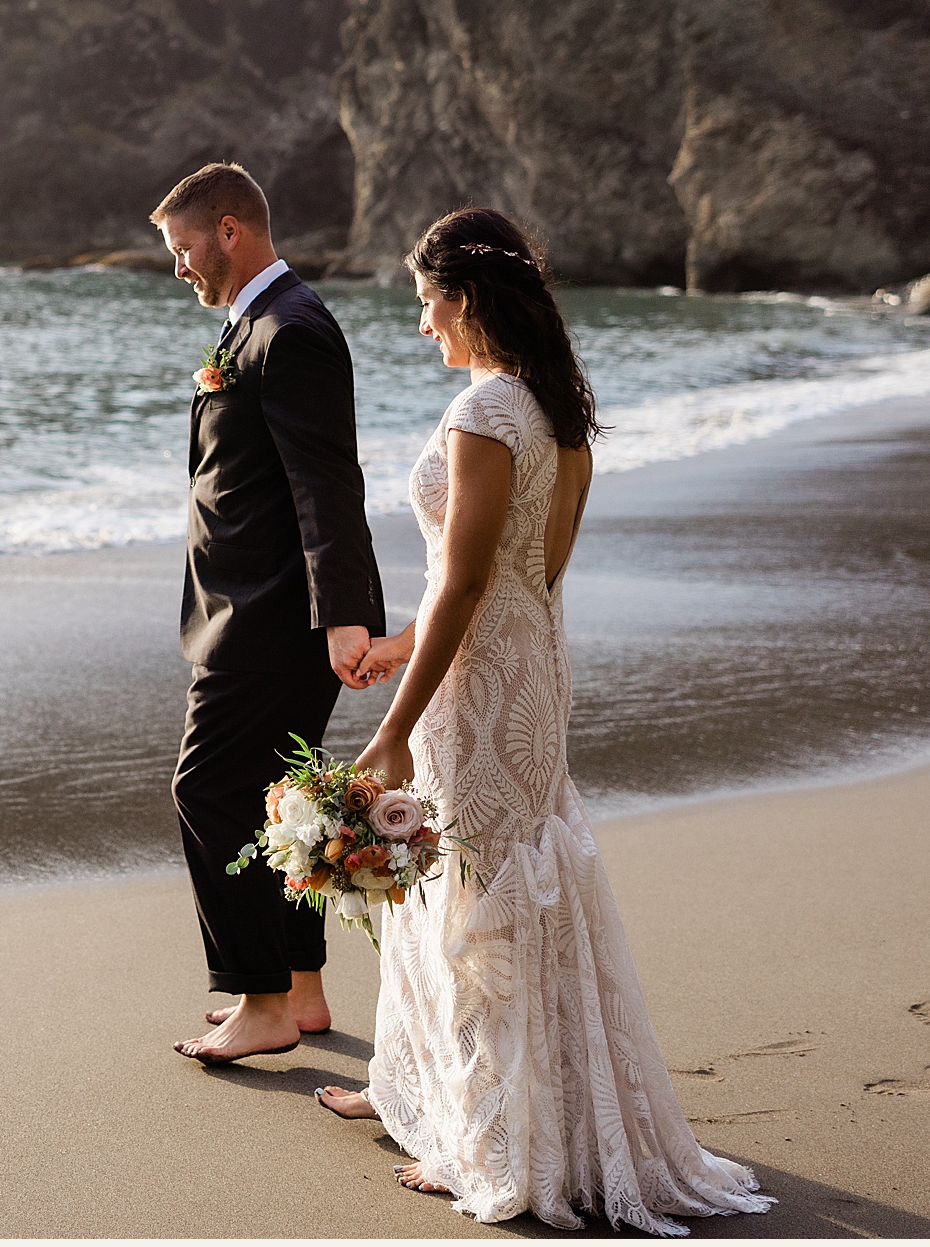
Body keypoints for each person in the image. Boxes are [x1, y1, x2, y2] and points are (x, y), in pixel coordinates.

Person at [315, 208, 774, 1236]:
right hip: (530, 667)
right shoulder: (554, 411)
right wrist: (402, 639)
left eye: (425, 299)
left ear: (466, 296)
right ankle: (423, 1092)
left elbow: (471, 577)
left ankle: (494, 1136)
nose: (421, 321)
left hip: (478, 695)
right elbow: (522, 576)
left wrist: (396, 719)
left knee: (474, 895)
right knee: (485, 880)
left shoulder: (485, 413)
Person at [148, 163, 386, 1065]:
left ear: (231, 232)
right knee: (276, 799)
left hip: (267, 622)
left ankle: (262, 1002)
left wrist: (344, 617)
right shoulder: (254, 326)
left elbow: (327, 483)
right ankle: (304, 990)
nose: (178, 267)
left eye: (183, 248)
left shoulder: (290, 332)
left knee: (208, 791)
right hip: (250, 616)